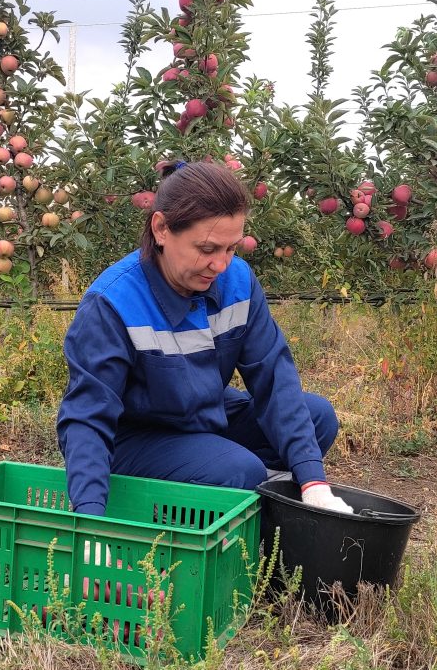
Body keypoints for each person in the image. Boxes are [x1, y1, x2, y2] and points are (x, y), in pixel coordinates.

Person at [57, 160, 353, 516]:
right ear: (162, 229)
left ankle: (228, 496)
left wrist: (313, 482)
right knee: (238, 470)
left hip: (203, 416)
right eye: (208, 249)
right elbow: (88, 416)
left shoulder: (237, 282)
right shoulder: (113, 302)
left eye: (231, 249)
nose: (221, 265)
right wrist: (89, 518)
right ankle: (172, 508)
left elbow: (273, 377)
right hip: (134, 438)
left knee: (316, 417)